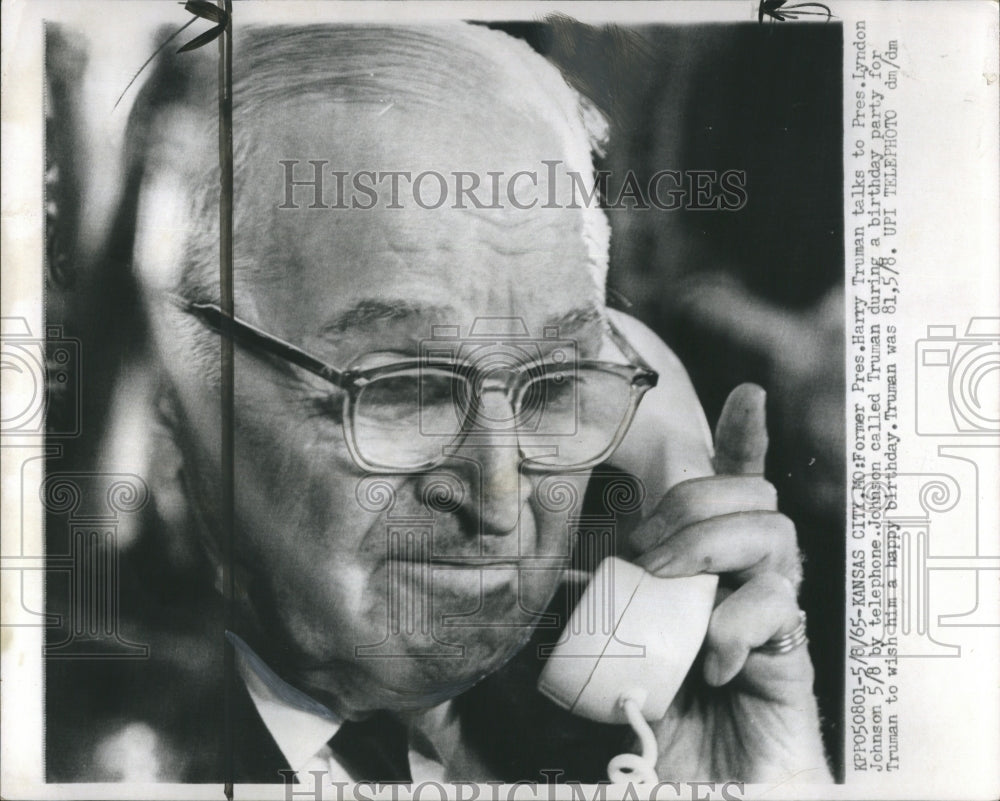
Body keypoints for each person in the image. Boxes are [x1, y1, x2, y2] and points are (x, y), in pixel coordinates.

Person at [124, 22, 830, 785]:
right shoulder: (99, 746)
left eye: (554, 386)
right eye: (407, 388)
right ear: (166, 388)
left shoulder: (593, 743)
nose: (498, 501)